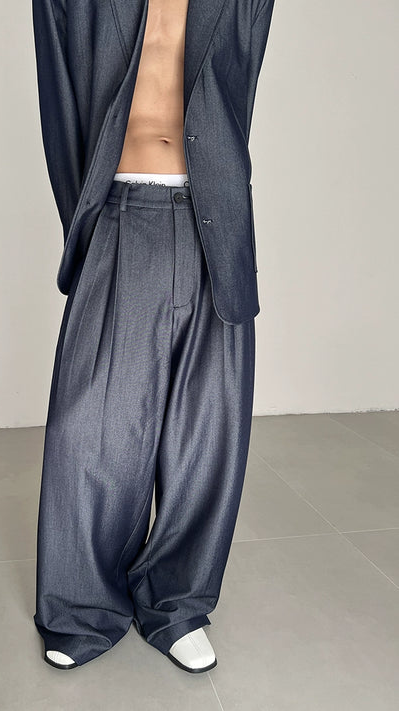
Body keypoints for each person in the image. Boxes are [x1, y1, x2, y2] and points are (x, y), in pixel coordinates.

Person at [31, 0, 275, 673]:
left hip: (213, 214)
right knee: (90, 425)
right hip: (120, 207)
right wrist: (85, 221)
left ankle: (177, 603)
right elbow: (60, 103)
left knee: (207, 430)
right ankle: (81, 606)